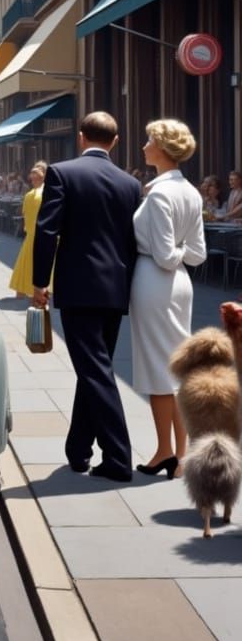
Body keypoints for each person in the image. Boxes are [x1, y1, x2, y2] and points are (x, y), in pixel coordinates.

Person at [32, 112, 141, 482]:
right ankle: (78, 450)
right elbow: (132, 241)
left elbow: (47, 231)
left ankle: (118, 458)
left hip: (79, 286)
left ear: (81, 137)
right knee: (93, 368)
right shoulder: (130, 184)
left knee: (94, 371)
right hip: (115, 288)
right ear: (116, 140)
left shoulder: (62, 173)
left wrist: (39, 282)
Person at [130, 120, 206, 478]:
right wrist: (179, 251)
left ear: (162, 148)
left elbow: (163, 255)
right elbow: (198, 254)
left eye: (150, 141)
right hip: (180, 284)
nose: (144, 146)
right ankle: (179, 453)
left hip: (154, 280)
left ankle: (164, 451)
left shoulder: (159, 193)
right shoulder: (191, 192)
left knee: (158, 368)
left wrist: (172, 252)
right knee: (176, 367)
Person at [9, 162, 48, 297]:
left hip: (31, 236)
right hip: (43, 236)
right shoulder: (45, 194)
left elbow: (25, 216)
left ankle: (24, 291)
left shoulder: (29, 195)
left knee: (26, 266)